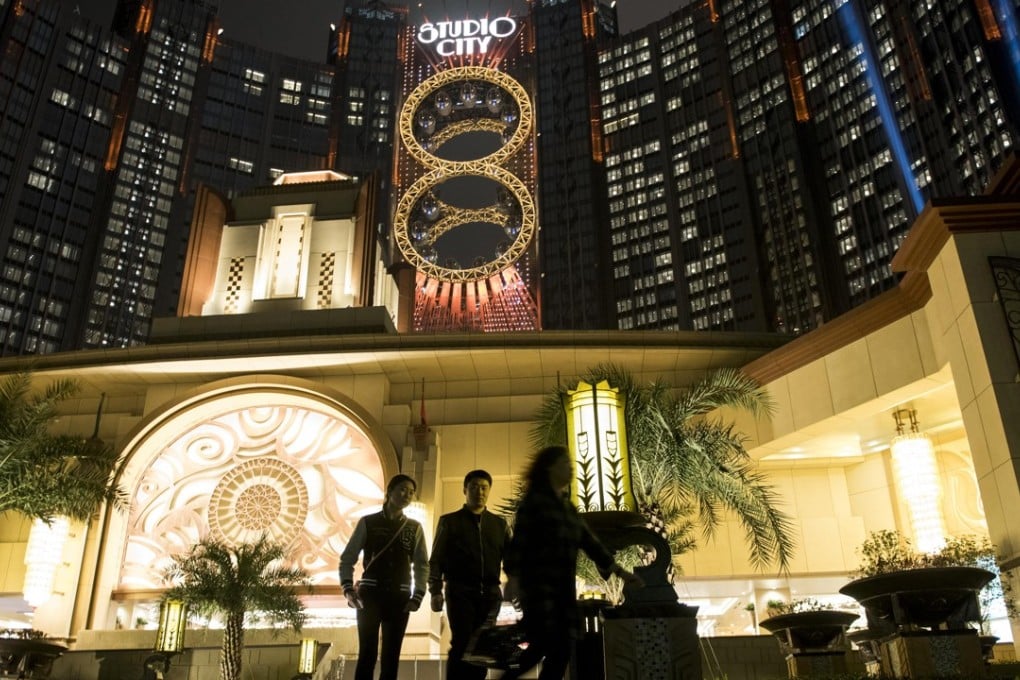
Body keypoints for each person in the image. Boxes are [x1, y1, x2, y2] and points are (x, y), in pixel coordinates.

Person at [502, 446, 642, 680]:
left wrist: (620, 571)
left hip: (562, 592)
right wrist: (513, 579)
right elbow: (519, 544)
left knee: (558, 650)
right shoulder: (534, 503)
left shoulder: (567, 508)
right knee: (542, 649)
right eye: (565, 463)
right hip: (539, 591)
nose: (571, 468)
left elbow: (590, 542)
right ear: (549, 468)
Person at [340, 474, 429, 680]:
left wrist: (417, 596)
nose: (407, 495)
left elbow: (422, 564)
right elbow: (348, 558)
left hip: (400, 597)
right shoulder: (368, 522)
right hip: (369, 595)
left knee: (391, 656)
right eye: (402, 489)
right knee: (367, 654)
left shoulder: (414, 527)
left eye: (411, 492)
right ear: (389, 492)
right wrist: (347, 589)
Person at [429, 469, 512, 680]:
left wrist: (515, 588)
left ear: (489, 491)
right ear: (465, 490)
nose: (479, 491)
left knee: (482, 646)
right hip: (460, 592)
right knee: (462, 642)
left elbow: (511, 562)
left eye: (484, 487)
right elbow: (436, 558)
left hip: (490, 595)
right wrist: (435, 590)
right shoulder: (450, 522)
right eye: (474, 487)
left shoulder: (499, 524)